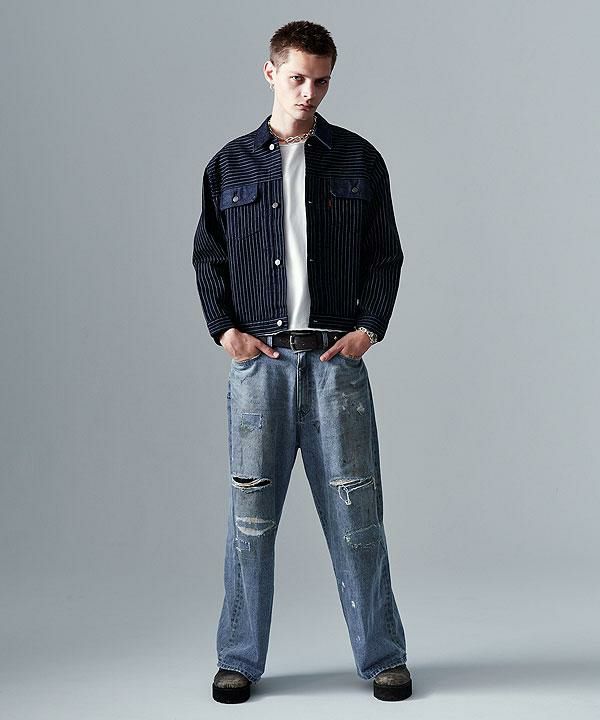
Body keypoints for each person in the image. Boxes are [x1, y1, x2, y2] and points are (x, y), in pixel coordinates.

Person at [192, 20, 412, 704]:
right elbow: (208, 256)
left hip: (335, 366)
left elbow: (386, 254)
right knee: (250, 520)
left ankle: (383, 658)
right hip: (259, 367)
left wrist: (369, 329)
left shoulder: (358, 161)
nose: (309, 93)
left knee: (358, 516)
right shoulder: (230, 166)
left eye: (321, 81)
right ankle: (238, 658)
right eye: (297, 78)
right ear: (270, 73)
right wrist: (225, 331)